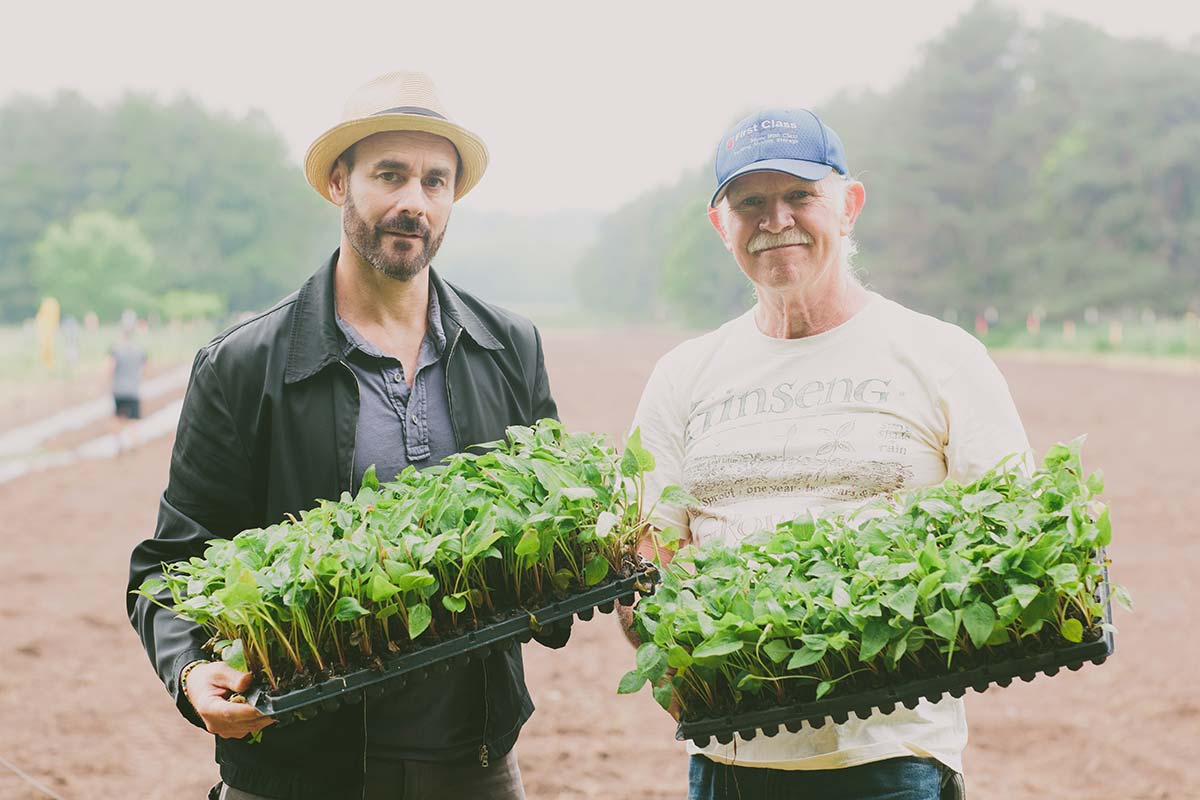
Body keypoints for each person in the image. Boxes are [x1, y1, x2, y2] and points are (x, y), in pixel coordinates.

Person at [128, 71, 564, 800]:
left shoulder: (508, 347)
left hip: (473, 762)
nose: (412, 203)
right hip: (298, 766)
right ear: (339, 184)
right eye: (388, 175)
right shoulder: (246, 364)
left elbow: (552, 520)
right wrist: (191, 669)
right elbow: (171, 563)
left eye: (435, 181)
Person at [622, 108, 1032, 800]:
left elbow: (1014, 529)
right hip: (732, 765)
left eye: (799, 195)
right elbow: (645, 549)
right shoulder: (684, 375)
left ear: (849, 207)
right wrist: (673, 665)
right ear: (721, 224)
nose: (774, 219)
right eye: (750, 202)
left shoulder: (940, 356)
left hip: (891, 761)